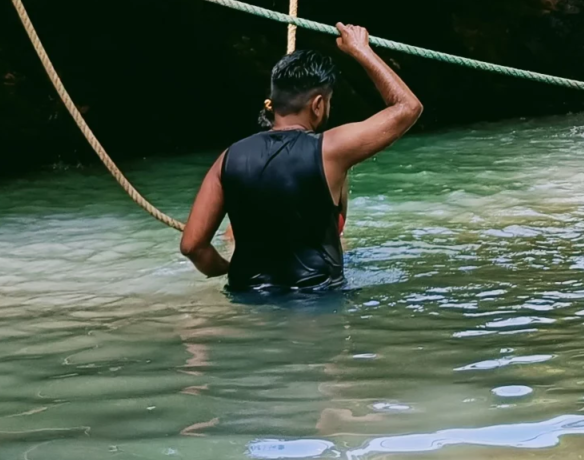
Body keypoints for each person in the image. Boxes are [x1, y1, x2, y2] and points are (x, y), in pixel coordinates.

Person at [180, 23, 422, 292]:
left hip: (247, 300)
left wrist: (228, 268)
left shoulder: (228, 157)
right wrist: (361, 50)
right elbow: (408, 107)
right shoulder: (330, 150)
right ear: (317, 105)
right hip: (317, 304)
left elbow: (192, 246)